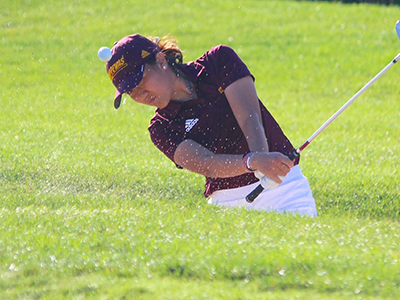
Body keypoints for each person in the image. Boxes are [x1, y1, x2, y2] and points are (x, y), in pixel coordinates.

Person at [101, 34, 317, 217]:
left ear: (160, 61)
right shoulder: (161, 128)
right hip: (227, 205)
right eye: (131, 92)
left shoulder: (218, 62)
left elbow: (250, 117)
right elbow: (206, 163)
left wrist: (262, 159)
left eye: (140, 82)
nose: (140, 95)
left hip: (285, 189)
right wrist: (253, 162)